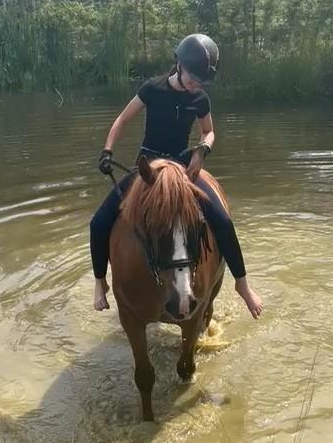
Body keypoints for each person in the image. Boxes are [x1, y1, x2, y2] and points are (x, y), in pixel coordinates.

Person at [90, 33, 263, 319]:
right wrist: (107, 151)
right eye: (193, 77)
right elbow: (122, 119)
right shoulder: (152, 88)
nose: (196, 84)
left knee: (222, 220)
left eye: (201, 81)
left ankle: (242, 285)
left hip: (183, 169)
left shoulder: (199, 98)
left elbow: (208, 131)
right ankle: (100, 283)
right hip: (148, 169)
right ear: (179, 65)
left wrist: (202, 150)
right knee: (99, 222)